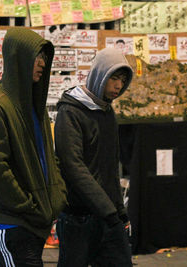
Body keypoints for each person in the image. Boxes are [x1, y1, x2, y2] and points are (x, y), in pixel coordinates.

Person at [0, 28, 67, 267]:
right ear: (19, 57)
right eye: (37, 57)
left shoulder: (34, 105)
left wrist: (56, 197)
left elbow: (48, 156)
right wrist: (28, 205)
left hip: (34, 219)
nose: (42, 63)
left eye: (44, 58)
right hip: (11, 221)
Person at [54, 47, 134, 267]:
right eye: (113, 78)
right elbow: (73, 167)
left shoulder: (107, 111)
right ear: (100, 75)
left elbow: (110, 167)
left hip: (108, 215)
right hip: (78, 217)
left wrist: (118, 210)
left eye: (122, 80)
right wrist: (109, 210)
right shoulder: (70, 111)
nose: (118, 86)